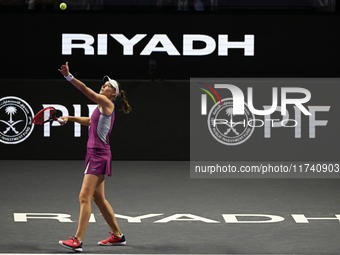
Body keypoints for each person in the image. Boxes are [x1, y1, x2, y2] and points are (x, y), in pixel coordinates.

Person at [57, 62, 131, 252]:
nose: (103, 86)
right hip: (94, 154)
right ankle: (118, 235)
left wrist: (68, 76)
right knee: (99, 198)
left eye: (108, 86)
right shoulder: (101, 106)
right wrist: (69, 118)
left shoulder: (107, 103)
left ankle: (77, 240)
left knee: (84, 197)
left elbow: (85, 90)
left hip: (98, 156)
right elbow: (90, 121)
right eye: (104, 84)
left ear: (113, 93)